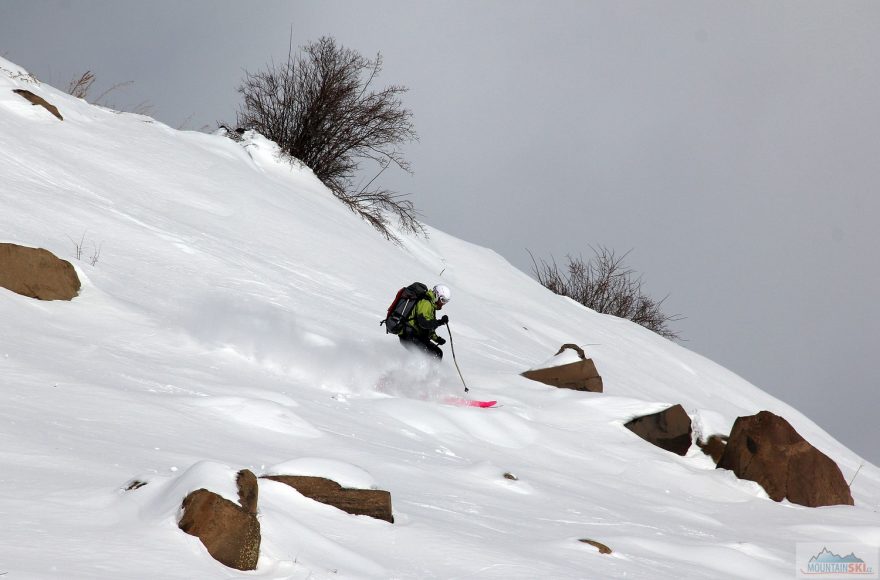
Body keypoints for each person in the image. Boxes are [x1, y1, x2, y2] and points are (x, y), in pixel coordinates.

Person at [398, 284, 451, 359]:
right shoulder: (426, 303)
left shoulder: (431, 305)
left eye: (445, 301)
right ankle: (416, 370)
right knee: (432, 355)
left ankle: (428, 370)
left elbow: (427, 328)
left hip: (414, 336)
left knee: (438, 353)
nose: (443, 303)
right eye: (442, 300)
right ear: (437, 295)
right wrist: (440, 322)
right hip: (409, 336)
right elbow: (424, 324)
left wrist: (436, 338)